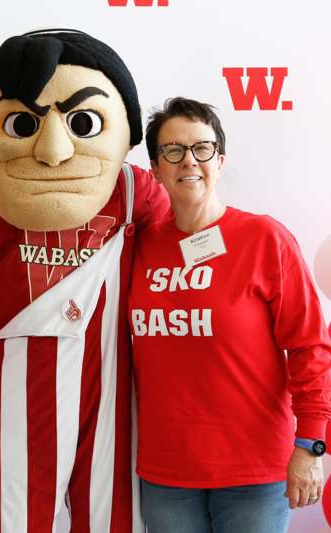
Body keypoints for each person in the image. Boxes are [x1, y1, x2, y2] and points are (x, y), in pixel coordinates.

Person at [0, 30, 169, 532]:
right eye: (24, 124)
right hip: (17, 392)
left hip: (115, 387)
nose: (52, 150)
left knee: (113, 520)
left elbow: (189, 270)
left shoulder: (137, 191)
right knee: (9, 521)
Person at [128, 97, 331, 532]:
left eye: (202, 148)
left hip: (253, 473)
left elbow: (310, 346)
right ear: (156, 166)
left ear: (219, 161)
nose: (189, 161)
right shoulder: (137, 248)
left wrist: (311, 445)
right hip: (166, 473)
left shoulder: (264, 239)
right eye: (173, 150)